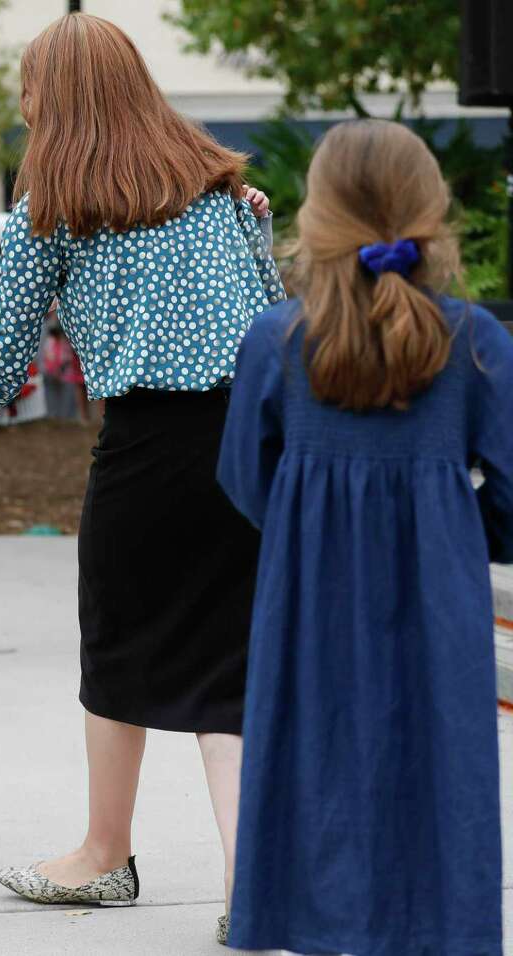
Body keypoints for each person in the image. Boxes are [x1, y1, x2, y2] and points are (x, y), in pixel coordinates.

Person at [0, 14, 282, 946]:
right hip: (248, 443)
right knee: (230, 673)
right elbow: (281, 322)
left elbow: (2, 366)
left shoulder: (52, 207)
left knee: (118, 648)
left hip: (146, 450)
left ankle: (103, 855)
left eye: (28, 85)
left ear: (53, 97)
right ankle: (249, 886)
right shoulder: (227, 194)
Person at [218, 120, 511, 956]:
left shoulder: (277, 340)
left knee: (318, 764)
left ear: (316, 219)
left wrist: (309, 533)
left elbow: (244, 476)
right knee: (439, 762)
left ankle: (323, 930)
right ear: (431, 212)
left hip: (310, 600)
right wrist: (458, 530)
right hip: (440, 601)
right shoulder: (474, 342)